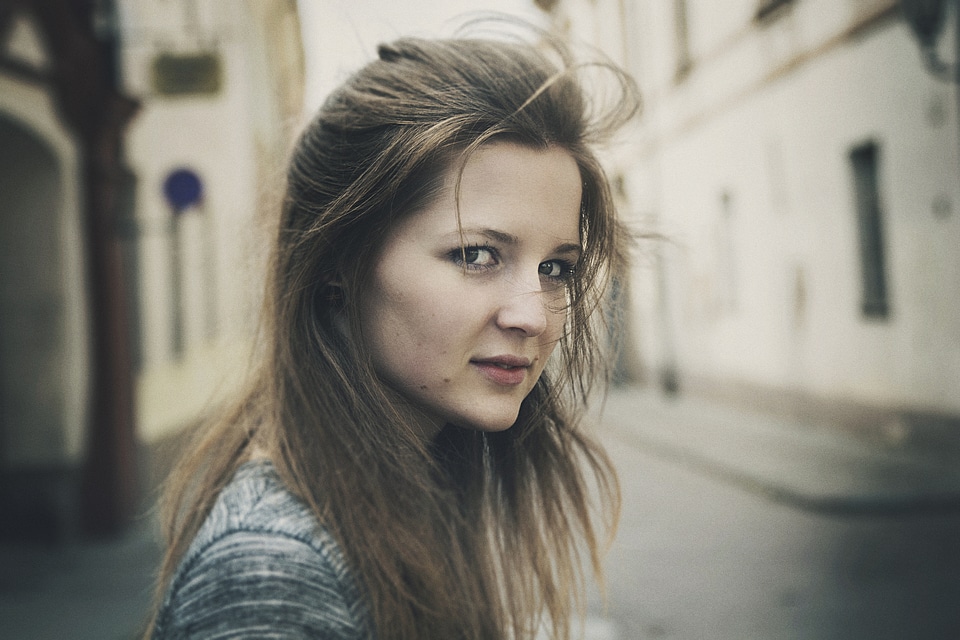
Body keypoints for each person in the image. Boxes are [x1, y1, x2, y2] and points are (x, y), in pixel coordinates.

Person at [146, 21, 639, 640]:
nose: (534, 315)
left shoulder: (417, 489)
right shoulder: (275, 571)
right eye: (476, 256)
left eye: (555, 268)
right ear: (336, 267)